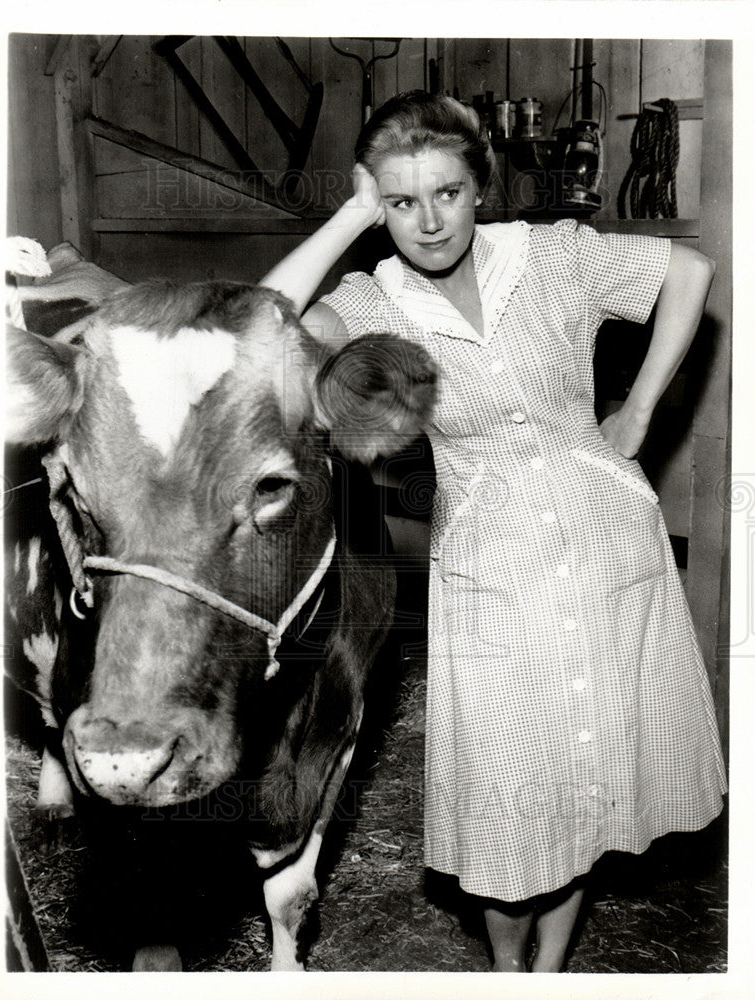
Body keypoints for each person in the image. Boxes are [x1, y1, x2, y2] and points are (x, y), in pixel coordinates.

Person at [259, 90, 727, 972]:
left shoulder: (552, 255)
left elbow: (690, 275)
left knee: (590, 784)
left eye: (447, 192)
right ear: (377, 207)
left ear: (481, 187)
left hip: (609, 548)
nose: (428, 221)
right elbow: (263, 328)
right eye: (400, 202)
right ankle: (508, 972)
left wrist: (639, 413)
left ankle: (544, 977)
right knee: (513, 802)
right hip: (489, 567)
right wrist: (351, 212)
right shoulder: (372, 304)